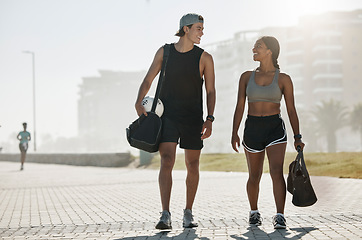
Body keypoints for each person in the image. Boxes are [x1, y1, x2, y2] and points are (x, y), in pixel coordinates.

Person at [135, 13, 216, 230]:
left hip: (192, 119)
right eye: (198, 28)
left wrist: (209, 118)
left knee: (192, 164)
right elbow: (148, 79)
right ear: (186, 29)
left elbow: (210, 90)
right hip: (167, 117)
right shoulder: (165, 52)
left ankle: (188, 212)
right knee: (167, 160)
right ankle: (165, 214)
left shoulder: (205, 58)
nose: (202, 32)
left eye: (202, 28)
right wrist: (138, 102)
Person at [231, 36, 305, 229]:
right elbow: (240, 106)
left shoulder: (284, 79)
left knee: (276, 172)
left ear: (269, 51)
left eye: (258, 46)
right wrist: (234, 132)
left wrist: (297, 137)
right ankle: (254, 213)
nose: (253, 49)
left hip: (275, 129)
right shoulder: (246, 77)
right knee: (254, 175)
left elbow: (291, 110)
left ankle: (280, 215)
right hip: (252, 127)